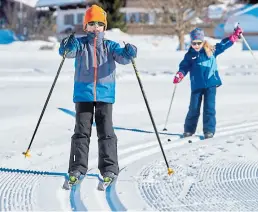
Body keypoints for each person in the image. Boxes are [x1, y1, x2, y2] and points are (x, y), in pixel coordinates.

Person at [58, 4, 137, 184]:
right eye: (91, 23)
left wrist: (130, 52)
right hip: (83, 95)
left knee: (106, 132)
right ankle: (77, 168)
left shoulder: (110, 46)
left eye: (99, 23)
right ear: (85, 26)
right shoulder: (80, 45)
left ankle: (109, 168)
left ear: (104, 27)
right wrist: (66, 45)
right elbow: (66, 53)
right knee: (81, 132)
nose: (95, 27)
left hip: (105, 95)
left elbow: (124, 58)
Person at [173, 26, 243, 139]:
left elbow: (223, 45)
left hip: (211, 84)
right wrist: (180, 74)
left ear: (203, 41)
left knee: (209, 108)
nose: (196, 46)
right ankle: (189, 130)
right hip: (196, 85)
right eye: (194, 43)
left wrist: (234, 36)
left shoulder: (211, 50)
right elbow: (184, 67)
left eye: (198, 43)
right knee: (193, 108)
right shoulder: (190, 55)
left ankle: (209, 130)